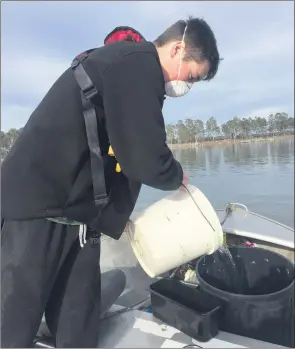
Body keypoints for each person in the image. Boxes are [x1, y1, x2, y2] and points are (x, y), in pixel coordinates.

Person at [1, 16, 220, 348]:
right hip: (37, 207)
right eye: (192, 76)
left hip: (78, 214)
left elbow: (121, 148)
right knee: (15, 320)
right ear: (178, 49)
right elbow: (143, 156)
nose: (187, 86)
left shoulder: (132, 75)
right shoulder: (136, 64)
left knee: (79, 317)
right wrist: (175, 176)